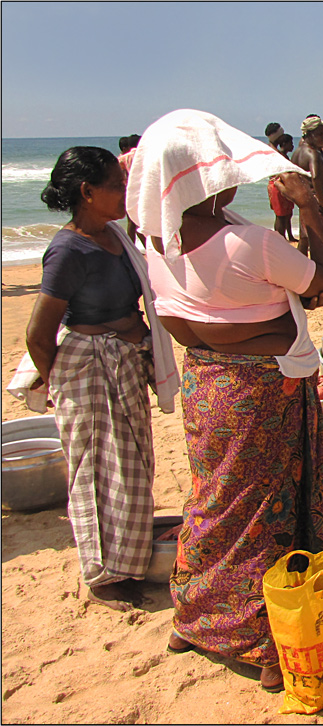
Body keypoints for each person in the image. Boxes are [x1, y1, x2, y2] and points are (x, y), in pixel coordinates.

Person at [126, 109, 323, 692]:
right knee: (263, 514)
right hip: (259, 391)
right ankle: (257, 640)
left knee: (214, 501)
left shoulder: (154, 242)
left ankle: (192, 616)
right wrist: (307, 205)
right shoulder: (248, 242)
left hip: (206, 384)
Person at [25, 146, 178, 612]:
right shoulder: (68, 249)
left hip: (123, 364)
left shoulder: (114, 234)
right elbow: (38, 333)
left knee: (130, 466)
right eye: (117, 184)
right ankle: (103, 576)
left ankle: (128, 561)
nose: (125, 191)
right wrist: (61, 381)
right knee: (95, 471)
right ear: (87, 192)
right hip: (89, 372)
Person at [291, 115, 323, 260]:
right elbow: (315, 176)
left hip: (306, 197)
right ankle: (322, 269)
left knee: (305, 235)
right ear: (309, 135)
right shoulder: (312, 153)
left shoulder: (298, 152)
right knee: (322, 237)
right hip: (316, 198)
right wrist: (321, 199)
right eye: (320, 135)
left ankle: (299, 268)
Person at [265, 122, 297, 242]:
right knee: (280, 216)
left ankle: (282, 238)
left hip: (279, 185)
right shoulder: (273, 152)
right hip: (276, 186)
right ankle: (280, 239)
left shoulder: (274, 150)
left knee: (285, 215)